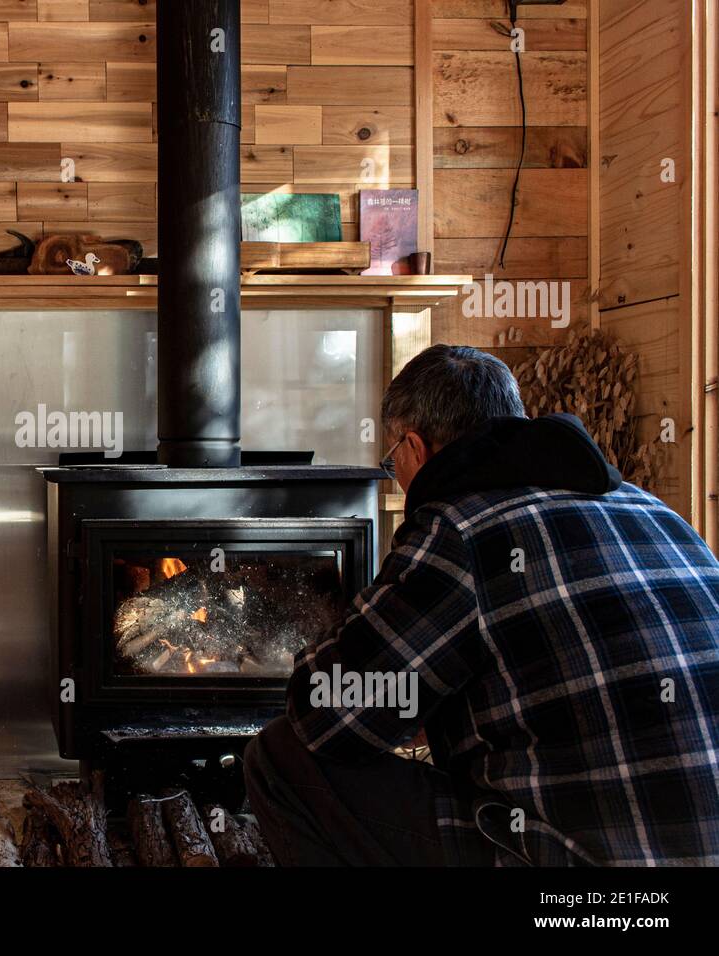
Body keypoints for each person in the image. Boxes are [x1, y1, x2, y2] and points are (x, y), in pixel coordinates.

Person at [244, 344, 719, 866]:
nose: (396, 474)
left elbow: (325, 714)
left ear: (416, 447)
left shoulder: (459, 526)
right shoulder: (653, 509)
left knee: (279, 755)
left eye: (391, 459)